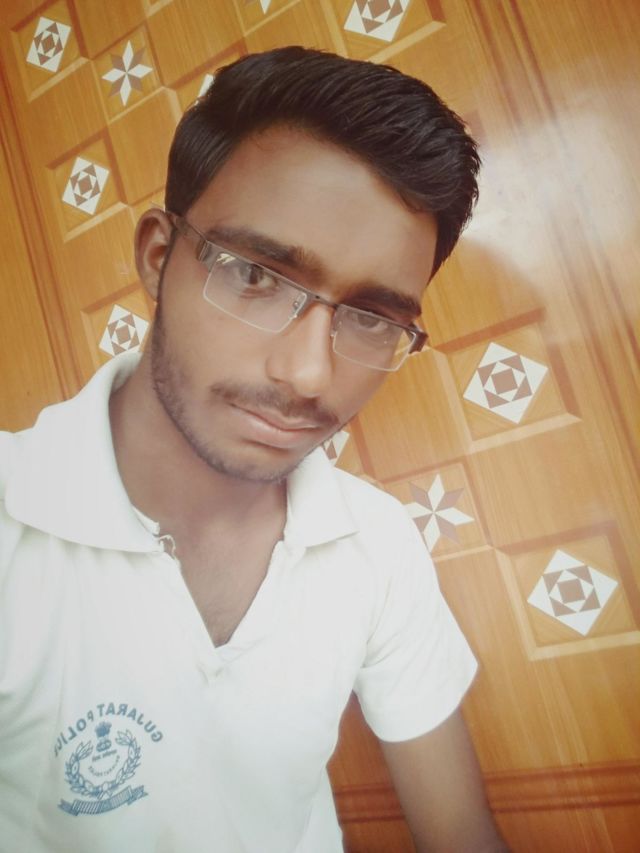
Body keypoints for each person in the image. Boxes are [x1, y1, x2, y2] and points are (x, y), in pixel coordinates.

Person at [0, 47, 507, 853]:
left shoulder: (376, 546)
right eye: (256, 276)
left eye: (371, 317)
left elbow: (462, 837)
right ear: (158, 257)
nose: (308, 375)